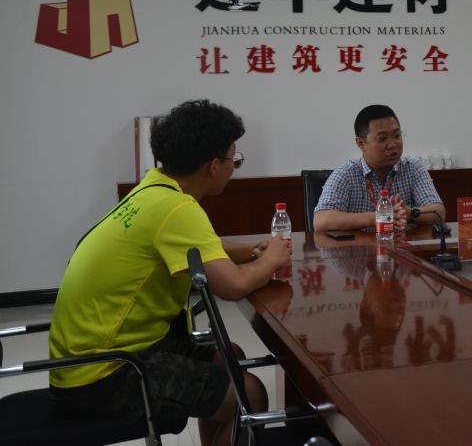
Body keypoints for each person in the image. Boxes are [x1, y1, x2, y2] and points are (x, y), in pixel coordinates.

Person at [48, 100, 292, 446]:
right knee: (249, 395)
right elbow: (233, 286)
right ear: (213, 166)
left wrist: (252, 252)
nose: (233, 168)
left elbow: (200, 247)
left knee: (230, 357)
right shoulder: (177, 208)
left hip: (87, 358)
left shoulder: (154, 189)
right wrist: (273, 259)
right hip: (105, 371)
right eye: (234, 159)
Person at [313, 104, 445, 232]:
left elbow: (439, 212)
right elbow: (321, 220)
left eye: (397, 136)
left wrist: (409, 213)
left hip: (405, 245)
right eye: (382, 139)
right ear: (361, 143)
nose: (392, 144)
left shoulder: (413, 168)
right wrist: (378, 217)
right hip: (361, 247)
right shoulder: (346, 173)